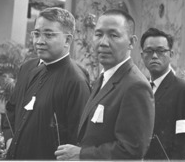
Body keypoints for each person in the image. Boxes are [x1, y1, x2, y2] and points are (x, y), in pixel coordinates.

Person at [54, 9, 155, 160]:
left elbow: (132, 150)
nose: (103, 42)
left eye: (113, 35)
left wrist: (82, 154)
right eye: (99, 34)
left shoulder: (135, 86)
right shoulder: (104, 78)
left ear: (132, 42)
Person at [3, 7, 91, 159]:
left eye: (49, 35)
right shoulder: (27, 68)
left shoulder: (76, 81)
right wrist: (10, 139)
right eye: (36, 34)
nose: (39, 41)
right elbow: (11, 109)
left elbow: (78, 138)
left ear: (68, 40)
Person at [140, 28, 185, 160]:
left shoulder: (184, 90)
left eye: (161, 51)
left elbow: (184, 140)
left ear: (171, 54)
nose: (154, 56)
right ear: (142, 54)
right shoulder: (141, 88)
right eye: (149, 51)